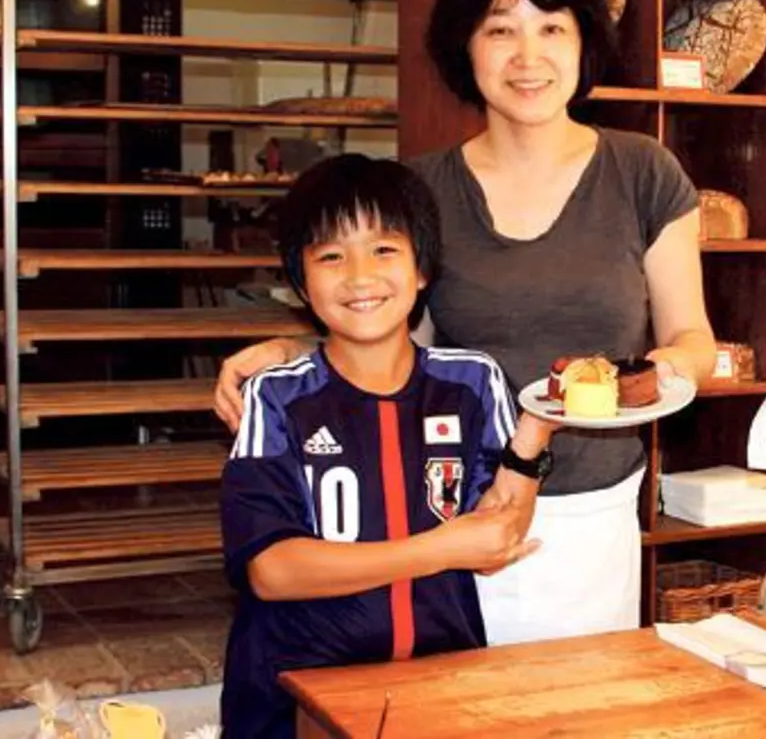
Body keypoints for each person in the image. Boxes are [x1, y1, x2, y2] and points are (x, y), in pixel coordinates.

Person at [215, 0, 716, 646]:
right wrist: (289, 348)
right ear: (466, 48)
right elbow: (390, 335)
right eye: (500, 31)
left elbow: (693, 338)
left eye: (551, 28)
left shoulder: (643, 173)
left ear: (584, 43)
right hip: (448, 509)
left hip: (594, 505)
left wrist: (662, 373)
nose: (528, 57)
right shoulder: (422, 189)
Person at [220, 153, 554, 738]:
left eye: (383, 250)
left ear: (422, 267)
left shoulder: (472, 382)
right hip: (293, 697)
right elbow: (272, 569)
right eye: (330, 256)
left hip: (436, 690)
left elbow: (497, 534)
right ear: (300, 282)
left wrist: (537, 429)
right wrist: (439, 548)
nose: (359, 276)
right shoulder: (277, 396)